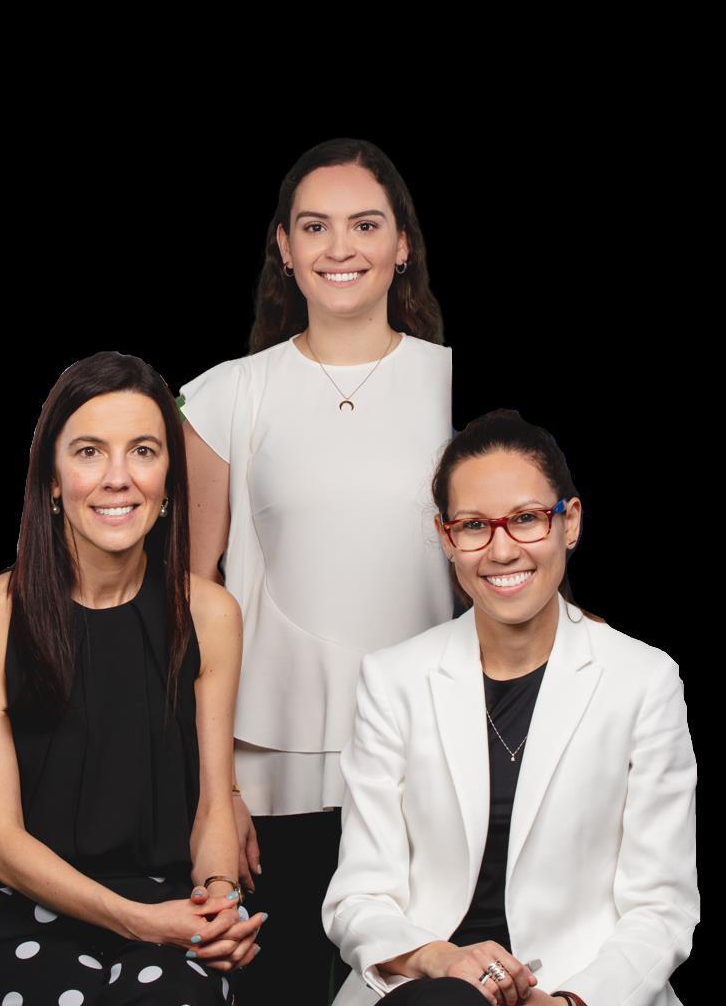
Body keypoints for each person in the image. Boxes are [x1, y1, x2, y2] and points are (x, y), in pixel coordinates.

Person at [179, 138, 454, 1001]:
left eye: (364, 225)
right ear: (284, 247)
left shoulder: (452, 386)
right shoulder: (220, 395)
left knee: (419, 984)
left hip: (430, 749)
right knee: (285, 985)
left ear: (401, 245)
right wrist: (216, 788)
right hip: (271, 761)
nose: (340, 247)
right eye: (314, 226)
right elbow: (193, 598)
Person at [322, 408, 698, 1005]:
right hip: (427, 986)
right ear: (447, 538)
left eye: (525, 519)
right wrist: (442, 960)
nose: (501, 550)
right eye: (474, 525)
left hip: (584, 989)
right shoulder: (393, 680)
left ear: (570, 522)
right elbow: (358, 899)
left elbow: (662, 908)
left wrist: (571, 1001)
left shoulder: (643, 680)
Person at [0, 351, 266, 1005]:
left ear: (168, 480)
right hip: (13, 909)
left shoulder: (210, 614)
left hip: (166, 900)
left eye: (143, 451)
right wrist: (140, 922)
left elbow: (212, 807)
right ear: (52, 481)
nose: (118, 478)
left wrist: (219, 902)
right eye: (89, 452)